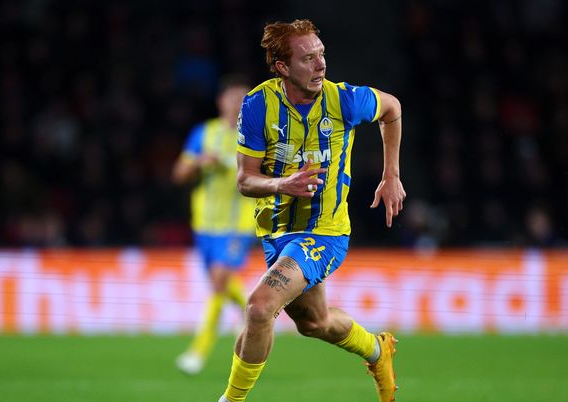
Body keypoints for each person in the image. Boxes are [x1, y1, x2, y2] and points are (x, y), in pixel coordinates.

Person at [218, 20, 406, 402]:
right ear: (282, 67)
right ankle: (377, 350)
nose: (321, 64)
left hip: (324, 232)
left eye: (321, 54)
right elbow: (245, 180)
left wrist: (391, 175)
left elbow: (392, 109)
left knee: (259, 308)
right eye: (308, 58)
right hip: (277, 233)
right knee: (314, 323)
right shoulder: (258, 105)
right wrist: (281, 184)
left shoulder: (344, 100)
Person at [173, 75, 256, 375]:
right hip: (205, 224)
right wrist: (199, 162)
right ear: (220, 101)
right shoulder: (204, 133)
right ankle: (257, 313)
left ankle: (198, 352)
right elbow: (179, 174)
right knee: (220, 285)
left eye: (243, 98)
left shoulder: (257, 136)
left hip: (238, 224)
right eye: (232, 97)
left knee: (220, 281)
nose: (237, 103)